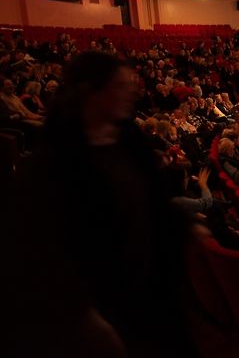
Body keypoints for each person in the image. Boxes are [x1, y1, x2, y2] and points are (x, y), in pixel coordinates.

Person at [3, 51, 198, 358]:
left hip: (148, 290)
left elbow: (152, 202)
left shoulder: (129, 138)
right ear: (90, 92)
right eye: (119, 86)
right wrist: (81, 312)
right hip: (100, 305)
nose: (131, 92)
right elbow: (41, 248)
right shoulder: (54, 160)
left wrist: (186, 226)